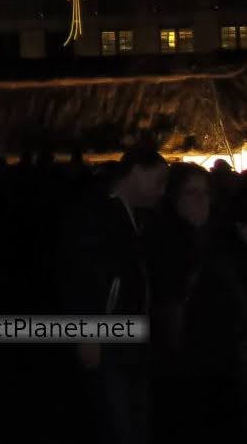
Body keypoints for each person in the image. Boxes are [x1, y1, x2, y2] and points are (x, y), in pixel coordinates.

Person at [59, 142, 167, 444]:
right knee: (118, 419)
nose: (161, 190)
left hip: (128, 336)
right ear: (136, 173)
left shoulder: (134, 215)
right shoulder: (98, 212)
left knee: (130, 417)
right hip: (111, 337)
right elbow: (83, 275)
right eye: (158, 181)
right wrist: (86, 332)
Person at [147, 162, 247, 435]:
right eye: (191, 193)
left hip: (222, 363)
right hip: (187, 370)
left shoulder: (217, 240)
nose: (201, 200)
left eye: (205, 192)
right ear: (174, 198)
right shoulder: (164, 247)